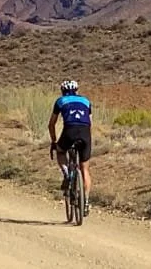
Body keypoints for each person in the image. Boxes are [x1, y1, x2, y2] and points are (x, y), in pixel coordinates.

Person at [48, 79, 92, 215]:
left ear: (63, 91)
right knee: (85, 169)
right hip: (85, 133)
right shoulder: (86, 101)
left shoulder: (60, 101)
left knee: (61, 152)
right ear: (77, 90)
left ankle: (67, 174)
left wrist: (54, 141)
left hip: (69, 131)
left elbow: (51, 124)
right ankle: (86, 202)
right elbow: (90, 123)